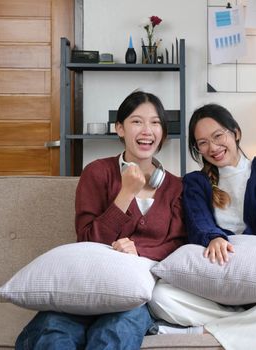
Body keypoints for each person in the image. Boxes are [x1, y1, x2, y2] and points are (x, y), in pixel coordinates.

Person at [15, 91, 187, 349]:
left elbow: (177, 244)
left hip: (134, 296)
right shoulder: (97, 172)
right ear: (120, 129)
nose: (147, 130)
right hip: (85, 285)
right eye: (137, 121)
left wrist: (138, 250)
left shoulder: (176, 186)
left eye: (155, 123)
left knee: (115, 333)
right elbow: (86, 238)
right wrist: (125, 194)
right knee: (53, 333)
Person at [149, 103, 256, 350]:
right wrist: (214, 237)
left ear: (236, 133)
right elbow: (198, 223)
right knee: (160, 298)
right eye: (203, 143)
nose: (213, 147)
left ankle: (205, 331)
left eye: (218, 136)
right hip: (215, 280)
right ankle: (252, 326)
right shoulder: (196, 182)